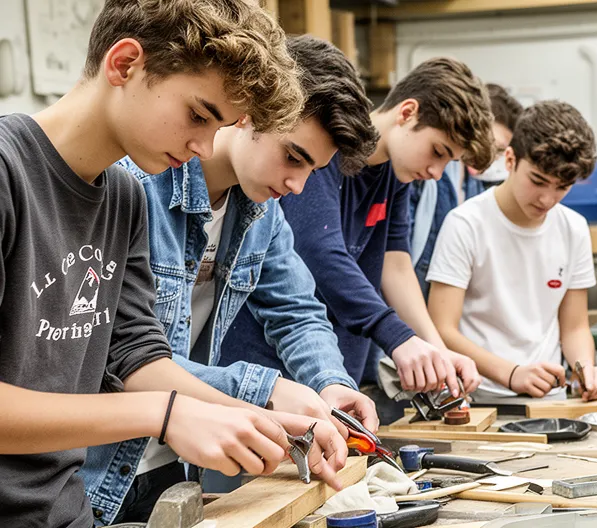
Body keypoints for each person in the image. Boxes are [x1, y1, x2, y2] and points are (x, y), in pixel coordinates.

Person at [0, 1, 348, 526]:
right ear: (124, 64)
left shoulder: (122, 198)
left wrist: (263, 420)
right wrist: (165, 414)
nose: (205, 145)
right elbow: (152, 398)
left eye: (221, 126)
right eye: (199, 115)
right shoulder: (8, 174)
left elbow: (139, 358)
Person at [82, 35, 381, 524]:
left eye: (313, 170)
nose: (297, 185)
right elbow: (121, 360)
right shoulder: (135, 185)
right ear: (249, 113)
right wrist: (265, 390)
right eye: (293, 156)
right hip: (92, 469)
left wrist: (330, 382)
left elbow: (296, 310)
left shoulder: (261, 211)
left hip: (173, 464)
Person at [223, 57, 491, 418]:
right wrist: (396, 335)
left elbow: (395, 266)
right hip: (268, 358)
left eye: (448, 163)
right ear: (407, 112)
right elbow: (320, 251)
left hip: (330, 362)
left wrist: (433, 348)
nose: (435, 172)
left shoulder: (394, 175)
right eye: (438, 152)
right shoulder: (322, 147)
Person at [427, 100, 597, 402]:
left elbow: (575, 327)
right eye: (538, 181)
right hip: (477, 399)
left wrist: (586, 370)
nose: (547, 198)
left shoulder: (574, 229)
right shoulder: (465, 224)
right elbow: (441, 329)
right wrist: (512, 373)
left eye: (562, 187)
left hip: (549, 400)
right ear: (511, 159)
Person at [408, 83, 524, 299]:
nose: (491, 156)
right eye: (491, 144)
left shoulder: (477, 182)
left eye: (499, 152)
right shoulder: (426, 174)